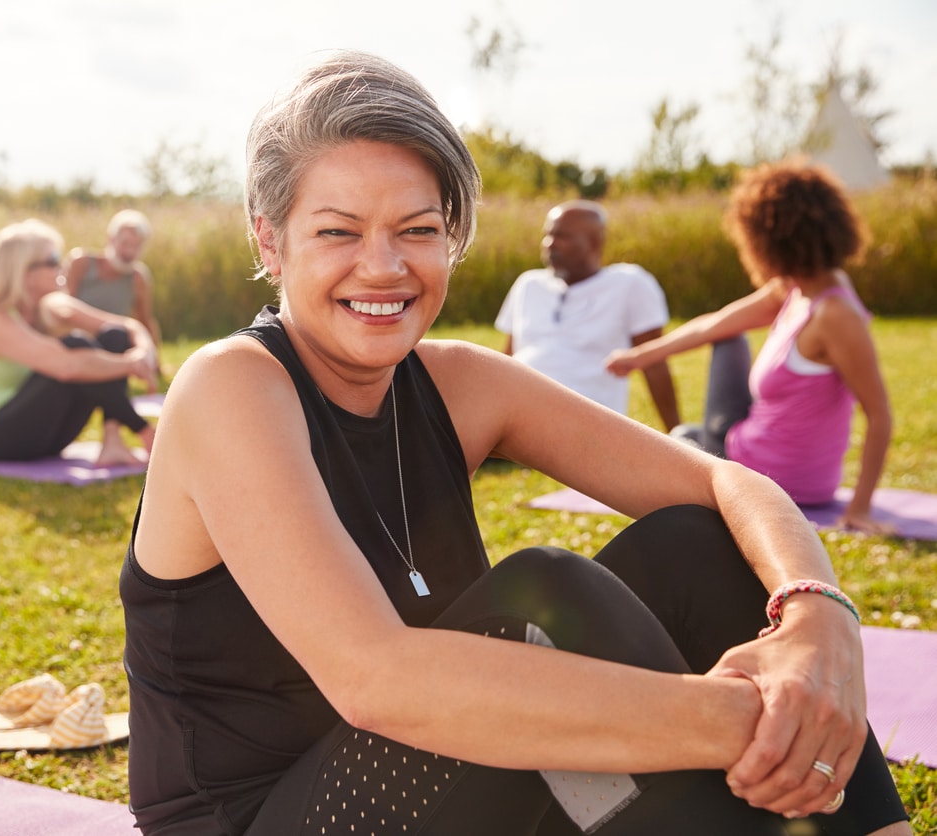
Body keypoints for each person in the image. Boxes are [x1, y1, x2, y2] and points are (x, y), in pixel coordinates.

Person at [119, 51, 911, 835]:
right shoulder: (231, 387)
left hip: (454, 788)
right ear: (270, 241)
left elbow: (726, 486)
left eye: (417, 229)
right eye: (337, 231)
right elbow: (376, 680)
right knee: (547, 599)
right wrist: (762, 719)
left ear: (450, 236)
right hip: (267, 820)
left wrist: (819, 620)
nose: (383, 266)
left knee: (692, 541)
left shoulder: (462, 384)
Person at [606, 160, 893, 534]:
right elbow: (714, 322)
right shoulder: (802, 289)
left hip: (764, 473)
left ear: (769, 241)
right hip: (780, 465)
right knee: (719, 355)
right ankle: (690, 443)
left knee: (682, 437)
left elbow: (880, 416)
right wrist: (637, 358)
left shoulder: (834, 315)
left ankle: (689, 445)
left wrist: (860, 509)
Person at [0, 219, 157, 468]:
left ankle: (112, 442)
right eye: (53, 259)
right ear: (24, 271)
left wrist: (143, 352)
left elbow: (127, 327)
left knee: (113, 336)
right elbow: (67, 367)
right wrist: (131, 366)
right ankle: (148, 435)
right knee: (75, 347)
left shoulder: (49, 307)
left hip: (44, 436)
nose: (63, 266)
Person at [494, 201, 680, 431]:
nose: (550, 244)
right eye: (547, 235)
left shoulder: (630, 284)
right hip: (511, 416)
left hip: (583, 424)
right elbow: (507, 358)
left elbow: (654, 365)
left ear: (594, 242)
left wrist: (676, 432)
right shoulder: (528, 284)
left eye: (562, 236)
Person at [65, 208, 163, 357]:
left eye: (136, 246)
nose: (129, 252)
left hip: (112, 343)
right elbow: (63, 307)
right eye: (125, 243)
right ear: (110, 239)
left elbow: (145, 320)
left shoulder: (138, 278)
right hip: (74, 340)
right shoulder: (81, 263)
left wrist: (155, 360)